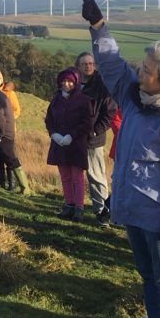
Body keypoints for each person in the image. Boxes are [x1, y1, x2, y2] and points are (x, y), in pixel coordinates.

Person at [84, 0, 160, 318]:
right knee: (148, 274)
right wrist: (99, 27)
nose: (139, 71)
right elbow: (112, 64)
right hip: (132, 208)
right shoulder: (132, 97)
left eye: (146, 69)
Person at [45, 68, 94, 221]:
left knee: (77, 177)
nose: (66, 84)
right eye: (64, 81)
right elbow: (49, 119)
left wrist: (72, 135)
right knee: (65, 176)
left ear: (75, 82)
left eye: (70, 81)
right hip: (59, 143)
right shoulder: (56, 100)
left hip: (76, 144)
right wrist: (54, 134)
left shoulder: (84, 100)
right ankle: (69, 205)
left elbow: (87, 122)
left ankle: (79, 208)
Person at [76, 51, 118, 225]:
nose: (89, 66)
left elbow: (110, 111)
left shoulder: (102, 85)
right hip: (75, 137)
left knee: (96, 175)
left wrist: (96, 131)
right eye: (85, 63)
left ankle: (103, 214)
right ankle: (76, 206)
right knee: (76, 174)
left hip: (93, 139)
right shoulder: (74, 84)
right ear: (78, 66)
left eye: (91, 63)